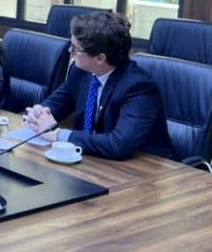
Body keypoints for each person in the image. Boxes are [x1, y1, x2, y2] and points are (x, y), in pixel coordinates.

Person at [24, 11, 177, 160]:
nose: (70, 51)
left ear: (100, 58)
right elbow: (58, 102)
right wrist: (39, 114)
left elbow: (119, 144)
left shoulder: (138, 87)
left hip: (146, 169)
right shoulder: (80, 71)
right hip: (94, 159)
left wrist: (59, 135)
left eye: (76, 48)